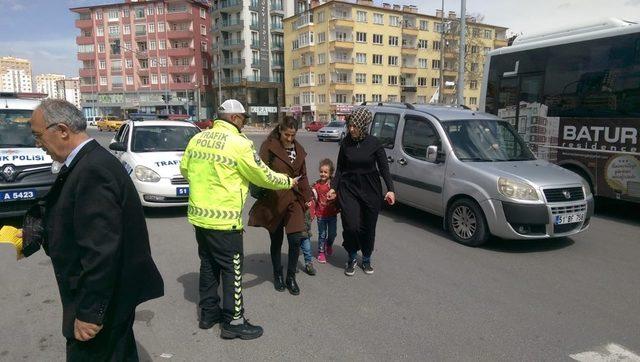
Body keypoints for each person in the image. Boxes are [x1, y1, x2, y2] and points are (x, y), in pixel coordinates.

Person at [28, 99, 164, 360]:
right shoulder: (87, 162)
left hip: (101, 302)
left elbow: (102, 251)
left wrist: (90, 314)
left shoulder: (93, 170)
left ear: (62, 130)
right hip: (108, 298)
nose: (38, 144)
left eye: (38, 135)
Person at [180, 99, 297, 340]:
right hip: (224, 221)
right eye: (243, 118)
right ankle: (234, 320)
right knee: (233, 269)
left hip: (200, 218)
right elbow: (263, 175)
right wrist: (287, 182)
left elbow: (185, 169)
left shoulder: (197, 138)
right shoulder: (239, 143)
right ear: (234, 118)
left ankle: (208, 314)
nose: (244, 123)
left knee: (208, 265)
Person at [248, 116, 313, 296]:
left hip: (294, 200)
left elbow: (304, 175)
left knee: (295, 239)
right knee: (276, 241)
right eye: (287, 135)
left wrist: (308, 196)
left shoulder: (299, 149)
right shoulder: (268, 147)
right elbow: (261, 172)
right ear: (280, 131)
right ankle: (277, 274)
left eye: (293, 135)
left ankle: (290, 277)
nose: (290, 139)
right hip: (274, 200)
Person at [327, 108, 396, 276]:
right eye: (350, 125)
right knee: (351, 225)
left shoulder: (374, 143)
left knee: (368, 227)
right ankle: (351, 256)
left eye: (355, 126)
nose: (351, 129)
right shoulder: (346, 143)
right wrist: (333, 188)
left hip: (371, 190)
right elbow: (341, 169)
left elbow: (384, 168)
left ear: (363, 125)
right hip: (349, 189)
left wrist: (391, 190)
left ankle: (366, 258)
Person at [312, 158, 340, 264]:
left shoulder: (333, 184)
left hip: (332, 214)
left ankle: (329, 245)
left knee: (333, 234)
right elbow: (312, 197)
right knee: (322, 234)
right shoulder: (316, 185)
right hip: (321, 215)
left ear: (330, 173)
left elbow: (338, 194)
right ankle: (321, 252)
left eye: (325, 172)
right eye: (321, 171)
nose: (323, 174)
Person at [298, 207, 316, 275]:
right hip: (296, 234)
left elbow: (309, 220)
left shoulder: (307, 208)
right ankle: (293, 265)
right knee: (295, 249)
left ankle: (309, 265)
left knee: (307, 250)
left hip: (305, 234)